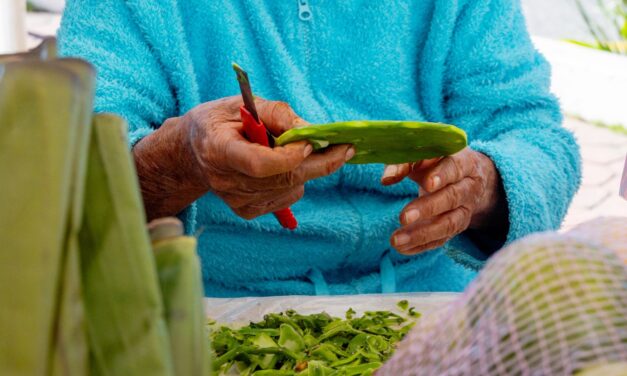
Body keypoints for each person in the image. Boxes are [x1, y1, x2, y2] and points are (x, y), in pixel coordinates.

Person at [58, 0, 581, 297]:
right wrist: (178, 160)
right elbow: (69, 182)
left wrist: (483, 183)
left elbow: (535, 135)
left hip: (433, 294)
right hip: (202, 304)